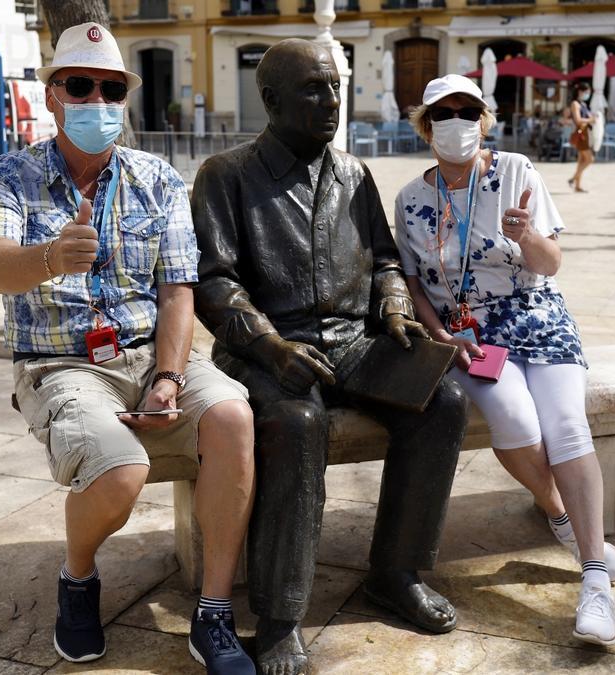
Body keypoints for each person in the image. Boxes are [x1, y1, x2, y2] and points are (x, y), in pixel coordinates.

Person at [0, 23, 256, 674]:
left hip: (147, 349)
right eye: (81, 85)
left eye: (112, 88)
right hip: (59, 360)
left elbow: (178, 292)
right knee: (119, 471)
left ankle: (213, 610)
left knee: (234, 417)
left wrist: (166, 374)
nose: (97, 99)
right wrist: (50, 257)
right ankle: (77, 577)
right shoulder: (8, 177)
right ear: (52, 95)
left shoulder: (157, 178)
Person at [191, 39, 468, 675]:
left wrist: (394, 304)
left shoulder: (353, 174)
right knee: (298, 424)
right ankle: (281, 616)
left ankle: (395, 572)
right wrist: (269, 345)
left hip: (353, 340)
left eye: (334, 88)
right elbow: (214, 282)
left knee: (442, 402)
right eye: (314, 89)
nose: (330, 102)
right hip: (263, 348)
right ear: (271, 100)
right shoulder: (226, 175)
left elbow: (387, 260)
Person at [395, 74, 615, 646]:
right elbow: (412, 282)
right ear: (426, 125)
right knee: (518, 423)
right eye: (443, 112)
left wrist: (527, 237)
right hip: (469, 334)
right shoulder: (411, 199)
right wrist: (440, 335)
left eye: (467, 110)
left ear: (483, 119)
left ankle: (594, 577)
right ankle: (560, 514)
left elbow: (551, 264)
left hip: (535, 314)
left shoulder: (516, 172)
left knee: (567, 425)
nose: (456, 121)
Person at [567, 83, 596, 192]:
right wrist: (590, 120)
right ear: (580, 91)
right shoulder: (575, 104)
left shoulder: (582, 103)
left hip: (585, 133)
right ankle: (573, 179)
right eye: (587, 92)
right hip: (581, 135)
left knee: (581, 161)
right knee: (589, 159)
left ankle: (578, 186)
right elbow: (578, 120)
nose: (588, 94)